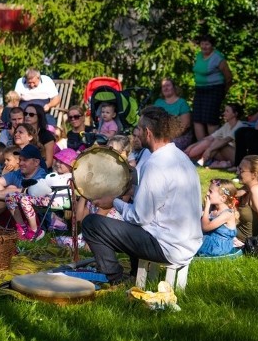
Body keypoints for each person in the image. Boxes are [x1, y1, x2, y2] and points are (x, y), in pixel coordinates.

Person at [82, 106, 203, 285]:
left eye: (138, 128)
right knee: (130, 226)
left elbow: (139, 217)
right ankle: (133, 273)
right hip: (187, 242)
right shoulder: (179, 156)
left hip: (167, 245)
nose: (135, 133)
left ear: (148, 132)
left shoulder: (156, 164)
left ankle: (113, 278)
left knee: (92, 223)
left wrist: (113, 202)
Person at [0, 143, 47, 227]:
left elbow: (24, 192)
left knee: (10, 192)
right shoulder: (18, 173)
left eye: (25, 160)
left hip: (34, 217)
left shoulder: (42, 177)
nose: (20, 163)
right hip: (14, 210)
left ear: (36, 162)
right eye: (20, 160)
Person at [6, 147, 76, 240]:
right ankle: (23, 228)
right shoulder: (53, 175)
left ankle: (35, 231)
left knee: (24, 199)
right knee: (10, 197)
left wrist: (50, 178)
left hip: (59, 201)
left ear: (71, 165)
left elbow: (52, 183)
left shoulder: (71, 177)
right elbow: (44, 183)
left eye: (63, 162)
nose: (58, 164)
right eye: (58, 161)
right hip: (47, 198)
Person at [192, 35, 232, 141]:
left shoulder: (217, 57)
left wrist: (223, 92)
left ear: (212, 45)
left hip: (214, 90)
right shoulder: (199, 55)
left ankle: (214, 148)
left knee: (210, 120)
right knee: (197, 119)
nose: (204, 47)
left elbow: (228, 77)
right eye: (202, 44)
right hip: (200, 90)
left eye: (207, 44)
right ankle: (201, 146)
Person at [187, 103, 246, 168]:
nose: (224, 113)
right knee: (210, 142)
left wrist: (209, 149)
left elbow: (226, 140)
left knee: (217, 141)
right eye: (224, 111)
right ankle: (196, 160)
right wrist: (192, 145)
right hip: (224, 154)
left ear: (235, 114)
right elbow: (210, 137)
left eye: (227, 111)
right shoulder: (227, 125)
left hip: (236, 156)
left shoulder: (240, 125)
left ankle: (201, 161)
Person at [197, 179, 239, 257]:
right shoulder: (213, 209)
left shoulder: (227, 214)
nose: (207, 193)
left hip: (218, 247)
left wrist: (206, 207)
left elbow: (205, 227)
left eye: (210, 191)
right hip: (208, 241)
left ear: (223, 198)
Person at [153, 78, 192, 150]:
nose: (165, 88)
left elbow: (185, 125)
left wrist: (168, 137)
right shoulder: (158, 102)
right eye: (163, 86)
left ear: (174, 87)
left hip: (179, 136)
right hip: (161, 135)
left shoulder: (182, 103)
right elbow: (152, 121)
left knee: (165, 147)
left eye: (168, 85)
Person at [24, 104, 56, 169]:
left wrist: (33, 172)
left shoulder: (47, 135)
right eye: (25, 113)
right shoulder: (21, 132)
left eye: (31, 114)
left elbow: (49, 162)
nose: (27, 116)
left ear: (39, 116)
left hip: (41, 171)